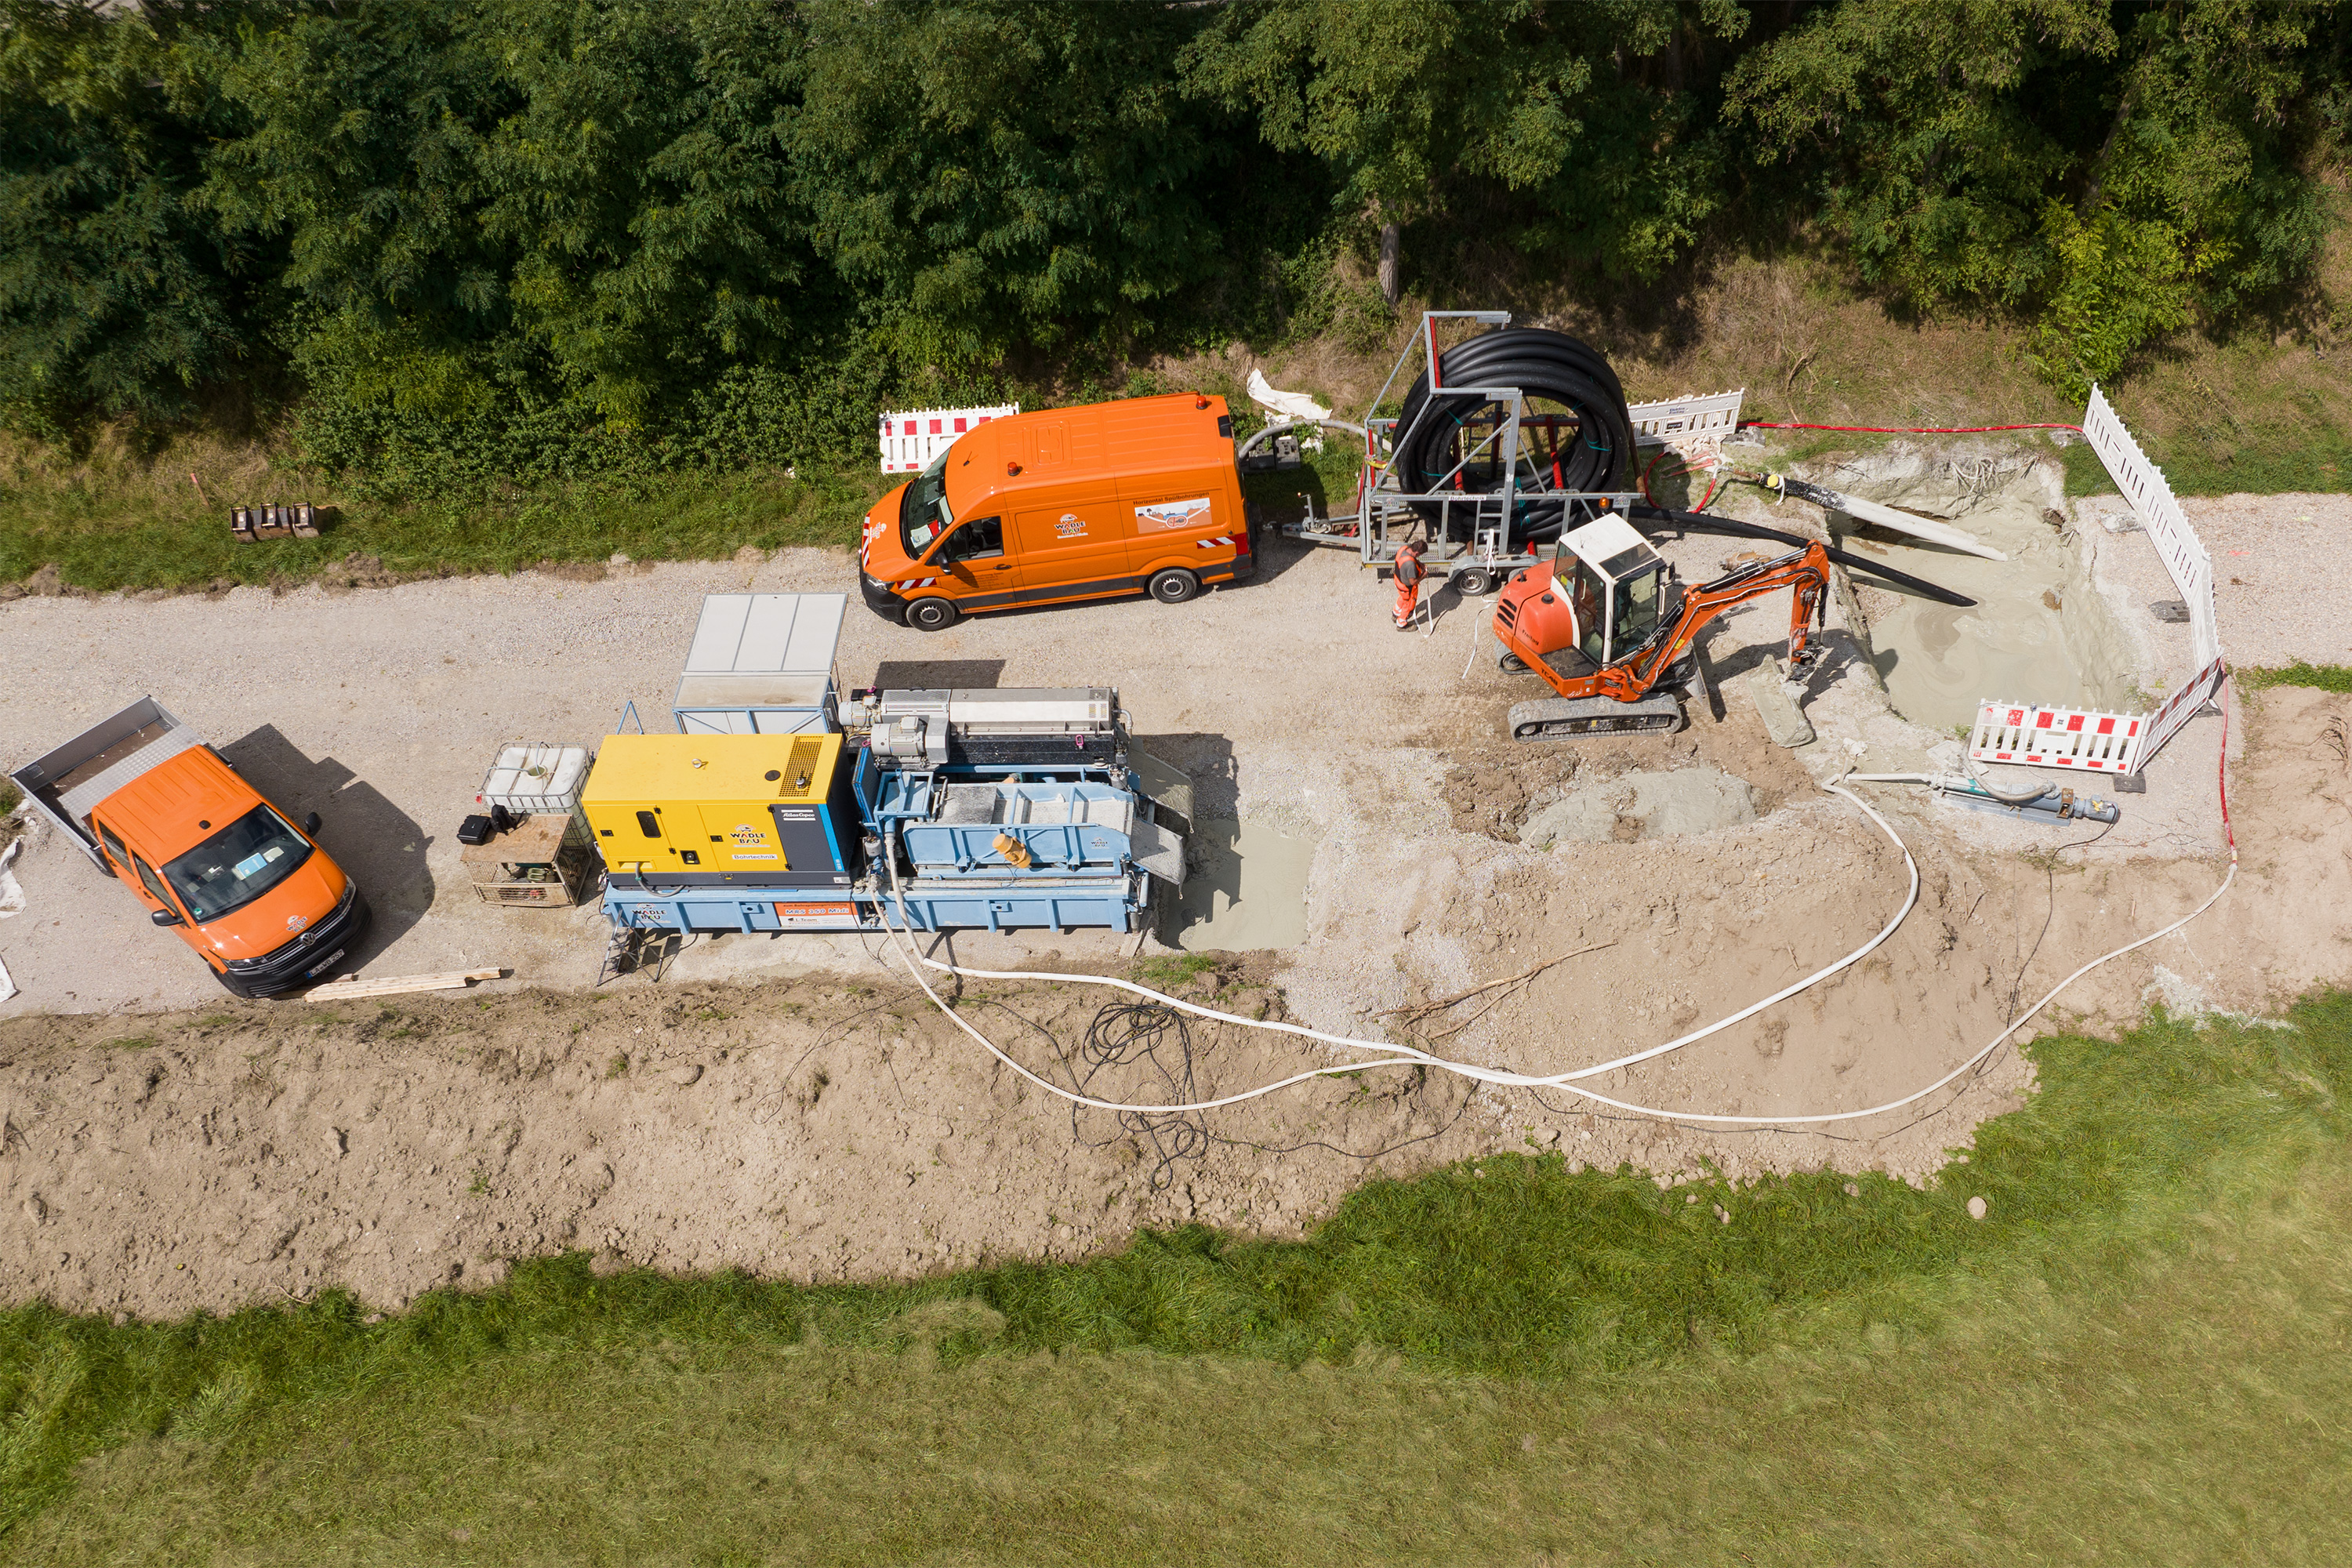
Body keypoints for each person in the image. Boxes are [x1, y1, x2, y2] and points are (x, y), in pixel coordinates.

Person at [1392, 538, 1429, 630]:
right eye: (1420, 555)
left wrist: (1419, 563)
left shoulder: (1404, 549)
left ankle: (1395, 613)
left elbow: (1412, 557)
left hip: (1398, 581)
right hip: (1407, 588)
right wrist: (1423, 575)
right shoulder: (1410, 565)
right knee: (1408, 605)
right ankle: (1401, 624)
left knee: (1402, 598)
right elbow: (1413, 582)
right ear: (1417, 553)